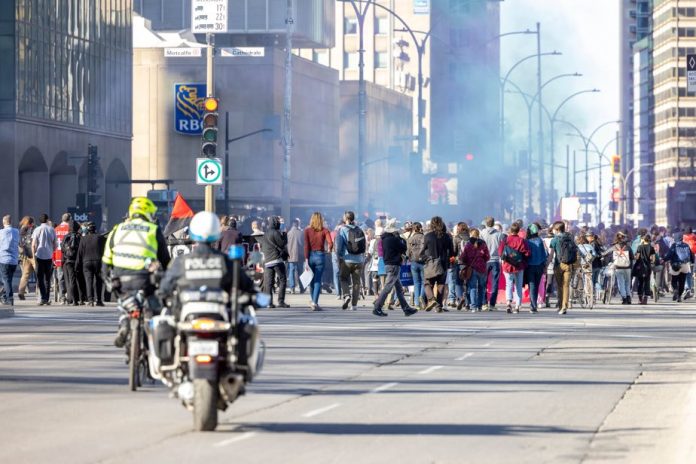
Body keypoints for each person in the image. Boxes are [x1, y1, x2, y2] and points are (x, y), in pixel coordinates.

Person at [103, 197, 171, 347]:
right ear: (148, 214)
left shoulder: (117, 229)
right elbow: (165, 260)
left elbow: (106, 260)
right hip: (144, 279)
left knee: (123, 303)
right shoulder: (153, 230)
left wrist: (107, 278)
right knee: (153, 307)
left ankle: (124, 321)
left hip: (121, 279)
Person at [372, 219, 417, 317]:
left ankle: (406, 308)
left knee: (399, 289)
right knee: (388, 287)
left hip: (388, 263)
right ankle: (377, 306)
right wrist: (401, 239)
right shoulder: (394, 239)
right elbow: (403, 248)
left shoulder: (384, 239)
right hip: (394, 265)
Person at [422, 216, 455, 313]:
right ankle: (439, 306)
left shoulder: (428, 236)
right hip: (443, 263)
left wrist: (424, 258)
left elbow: (422, 251)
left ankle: (431, 299)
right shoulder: (447, 236)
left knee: (427, 283)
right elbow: (452, 252)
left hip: (431, 263)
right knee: (441, 285)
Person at [336, 211, 366, 311]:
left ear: (346, 218)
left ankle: (346, 295)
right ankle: (354, 305)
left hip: (347, 259)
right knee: (356, 283)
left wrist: (339, 257)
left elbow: (339, 246)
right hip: (359, 260)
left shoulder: (342, 229)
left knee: (343, 278)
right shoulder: (359, 229)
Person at [304, 212, 333, 311]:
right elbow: (330, 242)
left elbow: (306, 246)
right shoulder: (325, 230)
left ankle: (313, 301)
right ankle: (314, 302)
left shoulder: (307, 231)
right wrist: (329, 250)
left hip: (311, 256)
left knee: (311, 280)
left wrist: (306, 259)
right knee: (318, 279)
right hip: (321, 256)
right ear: (321, 220)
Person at [499, 222, 530, 313]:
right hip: (519, 266)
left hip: (507, 265)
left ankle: (508, 303)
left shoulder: (505, 240)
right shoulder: (522, 240)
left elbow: (500, 253)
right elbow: (527, 253)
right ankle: (517, 305)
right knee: (518, 285)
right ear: (518, 231)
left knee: (508, 284)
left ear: (510, 230)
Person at [259, 216, 289, 308]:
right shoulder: (276, 233)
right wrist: (285, 235)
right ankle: (281, 301)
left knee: (268, 282)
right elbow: (282, 243)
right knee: (283, 279)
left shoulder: (265, 234)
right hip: (277, 260)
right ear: (276, 223)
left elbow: (262, 247)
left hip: (267, 261)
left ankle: (269, 303)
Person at [549, 221, 577, 315]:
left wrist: (546, 265)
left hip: (558, 265)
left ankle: (561, 306)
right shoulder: (570, 238)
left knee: (560, 286)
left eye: (553, 228)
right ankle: (565, 306)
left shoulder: (554, 240)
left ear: (557, 229)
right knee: (566, 286)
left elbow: (551, 255)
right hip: (569, 264)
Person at [77, 222, 106, 306]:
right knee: (98, 282)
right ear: (95, 230)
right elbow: (104, 250)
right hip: (98, 262)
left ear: (88, 230)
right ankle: (99, 300)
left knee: (88, 281)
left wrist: (77, 264)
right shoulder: (100, 238)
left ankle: (90, 300)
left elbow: (80, 252)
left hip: (86, 262)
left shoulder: (83, 239)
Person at [460, 228, 489, 312]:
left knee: (472, 287)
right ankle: (480, 305)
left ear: (471, 234)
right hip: (482, 268)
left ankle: (473, 306)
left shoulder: (468, 244)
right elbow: (487, 256)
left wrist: (466, 263)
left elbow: (463, 257)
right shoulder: (483, 244)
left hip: (472, 268)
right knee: (481, 287)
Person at [31, 213, 57, 305]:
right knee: (48, 279)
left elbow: (33, 245)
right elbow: (55, 245)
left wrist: (34, 257)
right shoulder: (52, 230)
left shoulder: (36, 230)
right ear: (47, 220)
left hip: (39, 256)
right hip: (49, 257)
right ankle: (47, 298)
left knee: (40, 278)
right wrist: (51, 250)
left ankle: (43, 297)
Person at [481, 216, 503, 311]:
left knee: (483, 282)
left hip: (484, 260)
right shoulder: (499, 234)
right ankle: (492, 304)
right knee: (495, 282)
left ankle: (484, 303)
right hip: (495, 260)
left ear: (485, 223)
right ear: (493, 223)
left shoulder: (482, 233)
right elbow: (500, 247)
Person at [525, 223, 547, 313]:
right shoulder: (540, 241)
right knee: (536, 285)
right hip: (539, 266)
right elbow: (544, 255)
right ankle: (534, 304)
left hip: (530, 266)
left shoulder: (527, 242)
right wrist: (544, 265)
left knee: (532, 285)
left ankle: (533, 305)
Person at [666, 232, 693, 302]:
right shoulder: (686, 245)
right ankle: (679, 297)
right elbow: (691, 255)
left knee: (674, 280)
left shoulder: (674, 245)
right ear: (682, 238)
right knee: (682, 282)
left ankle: (675, 290)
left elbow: (669, 254)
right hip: (685, 265)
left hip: (676, 265)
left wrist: (664, 259)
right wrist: (692, 261)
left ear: (675, 238)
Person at [608, 231, 634, 305]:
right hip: (627, 267)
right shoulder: (628, 247)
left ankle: (624, 298)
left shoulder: (614, 247)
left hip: (618, 267)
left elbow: (605, 253)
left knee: (621, 283)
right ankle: (629, 297)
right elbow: (632, 257)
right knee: (627, 283)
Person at [448, 222, 470, 308]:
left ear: (458, 229)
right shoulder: (470, 238)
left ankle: (460, 298)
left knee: (458, 282)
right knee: (468, 282)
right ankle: (468, 301)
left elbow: (453, 251)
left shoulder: (456, 238)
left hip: (458, 262)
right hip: (469, 263)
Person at [61, 221, 83, 305]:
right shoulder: (79, 236)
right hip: (78, 261)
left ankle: (74, 300)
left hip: (69, 261)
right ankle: (80, 299)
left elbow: (62, 249)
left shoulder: (66, 236)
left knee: (71, 280)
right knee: (80, 279)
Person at [0, 215, 19, 306]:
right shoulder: (16, 232)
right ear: (10, 222)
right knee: (8, 280)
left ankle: (9, 298)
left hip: (4, 259)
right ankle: (4, 296)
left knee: (5, 280)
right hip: (14, 260)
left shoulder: (1, 232)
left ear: (4, 222)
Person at [407, 222, 426, 309]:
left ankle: (417, 303)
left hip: (414, 262)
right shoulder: (424, 238)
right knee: (423, 282)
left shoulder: (410, 239)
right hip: (423, 262)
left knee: (416, 282)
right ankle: (421, 298)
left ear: (414, 229)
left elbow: (407, 253)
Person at [53, 213, 71, 304]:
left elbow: (53, 244)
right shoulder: (70, 229)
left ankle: (62, 296)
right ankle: (70, 295)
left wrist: (53, 258)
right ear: (69, 219)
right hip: (68, 256)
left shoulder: (56, 229)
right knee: (70, 276)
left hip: (58, 256)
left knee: (60, 277)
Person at [17, 216, 35, 300]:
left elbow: (20, 243)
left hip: (25, 255)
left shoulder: (21, 230)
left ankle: (21, 291)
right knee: (39, 274)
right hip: (33, 254)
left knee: (25, 275)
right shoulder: (32, 229)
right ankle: (39, 293)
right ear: (31, 222)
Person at [634, 234, 656, 305]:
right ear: (649, 240)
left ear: (643, 240)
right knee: (647, 282)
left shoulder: (640, 247)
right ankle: (645, 299)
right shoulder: (651, 248)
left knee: (640, 282)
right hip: (648, 267)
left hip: (640, 267)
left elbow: (637, 257)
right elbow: (653, 259)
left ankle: (640, 299)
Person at [286, 219, 305, 294]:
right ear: (297, 224)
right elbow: (303, 244)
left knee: (291, 271)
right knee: (300, 272)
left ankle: (292, 288)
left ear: (292, 225)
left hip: (291, 255)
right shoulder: (301, 233)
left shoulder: (288, 233)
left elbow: (286, 245)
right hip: (300, 255)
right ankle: (301, 288)